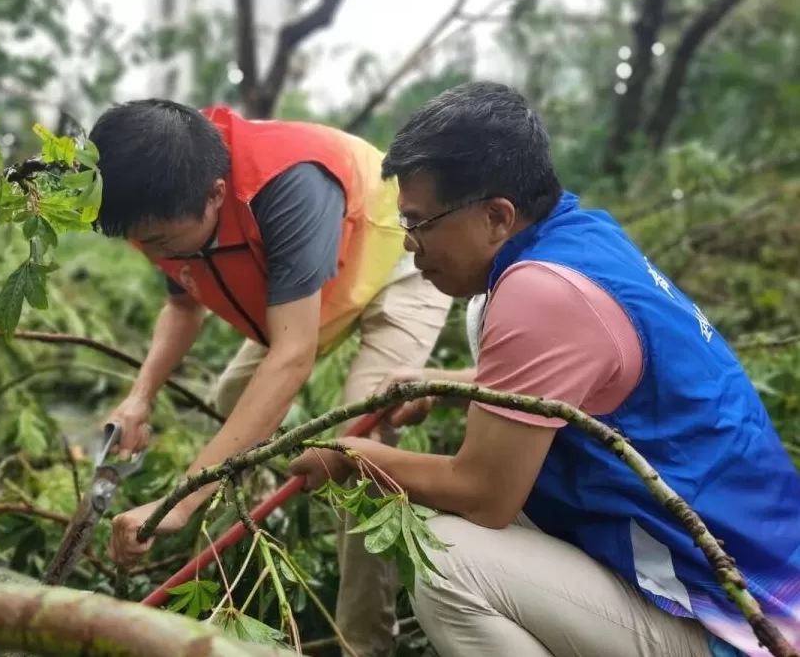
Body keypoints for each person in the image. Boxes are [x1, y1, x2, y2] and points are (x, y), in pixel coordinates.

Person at [288, 81, 800, 657]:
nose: (411, 247)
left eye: (419, 223)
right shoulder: (581, 238)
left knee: (448, 562)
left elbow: (484, 493)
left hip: (739, 624)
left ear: (498, 216)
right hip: (751, 567)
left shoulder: (540, 293)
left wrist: (354, 459)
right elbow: (584, 387)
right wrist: (450, 386)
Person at [87, 99, 453, 657]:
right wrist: (139, 398)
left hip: (395, 263)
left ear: (214, 193)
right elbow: (183, 308)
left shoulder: (288, 187)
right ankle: (264, 523)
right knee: (232, 397)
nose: (153, 252)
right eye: (143, 242)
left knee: (360, 448)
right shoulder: (158, 201)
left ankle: (365, 642)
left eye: (161, 241)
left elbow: (292, 357)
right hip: (310, 286)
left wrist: (181, 501)